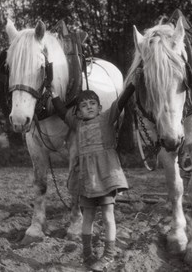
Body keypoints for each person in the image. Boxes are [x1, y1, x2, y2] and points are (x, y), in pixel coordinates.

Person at [51, 83, 135, 271]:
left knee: (107, 216)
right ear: (78, 113)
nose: (89, 106)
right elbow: (62, 112)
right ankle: (87, 255)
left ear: (99, 107)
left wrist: (132, 84)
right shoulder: (76, 124)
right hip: (86, 178)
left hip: (105, 175)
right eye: (84, 105)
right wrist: (54, 93)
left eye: (92, 103)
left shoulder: (107, 119)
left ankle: (109, 255)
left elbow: (121, 102)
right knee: (87, 216)